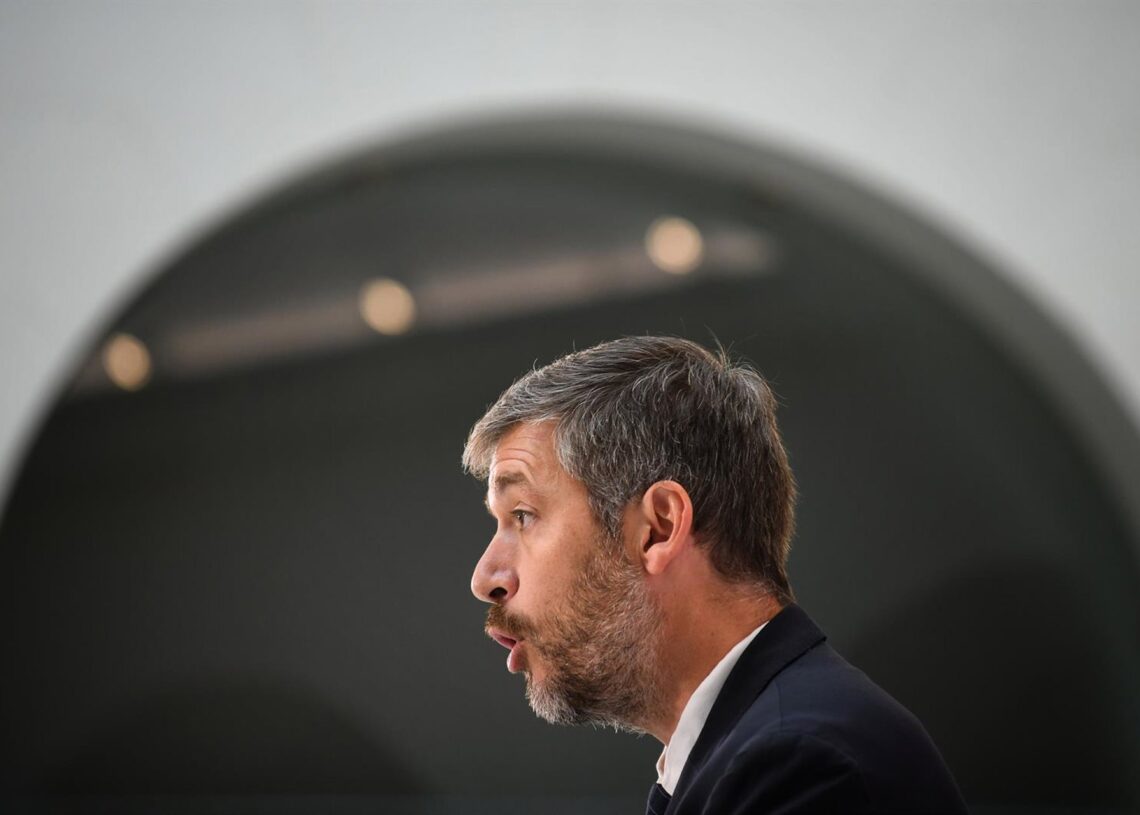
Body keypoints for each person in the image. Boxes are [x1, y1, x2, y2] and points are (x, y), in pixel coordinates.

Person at [463, 336, 967, 814]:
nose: (486, 577)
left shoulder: (803, 766)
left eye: (522, 515)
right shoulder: (766, 748)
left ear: (658, 529)